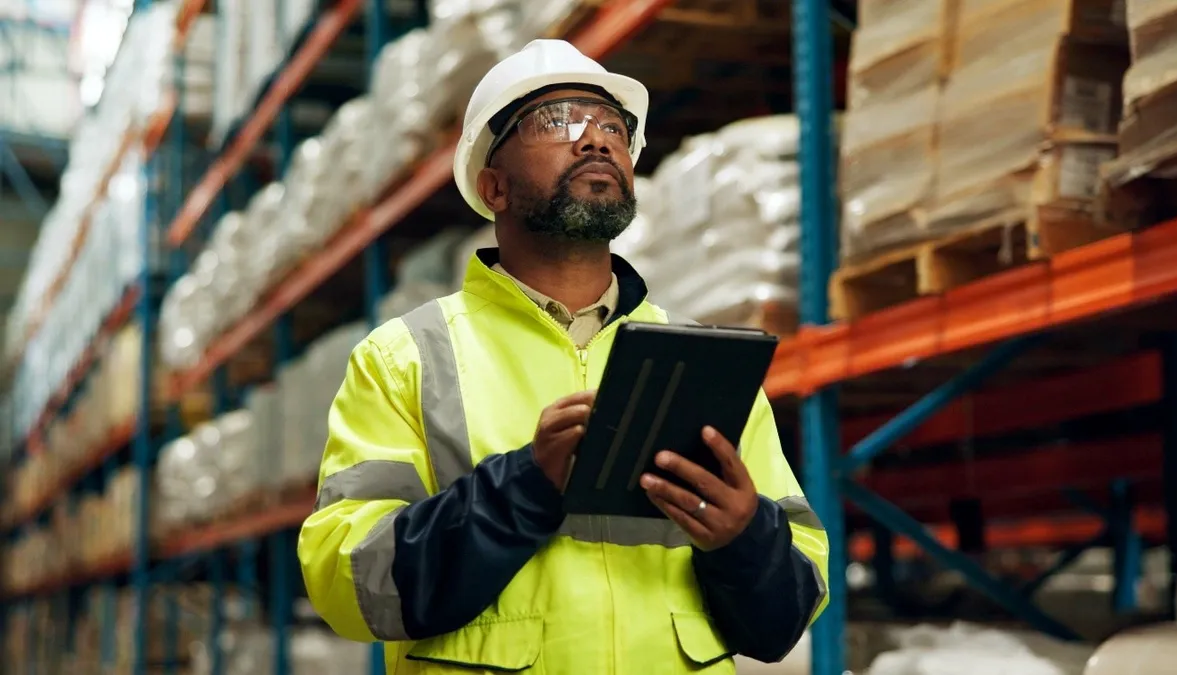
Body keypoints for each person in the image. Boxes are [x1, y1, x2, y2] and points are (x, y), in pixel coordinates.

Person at [297, 39, 830, 674]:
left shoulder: (702, 362)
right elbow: (348, 584)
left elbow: (787, 616)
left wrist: (744, 539)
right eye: (560, 122)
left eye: (613, 126)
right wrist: (520, 489)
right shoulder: (406, 359)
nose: (596, 140)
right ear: (492, 186)